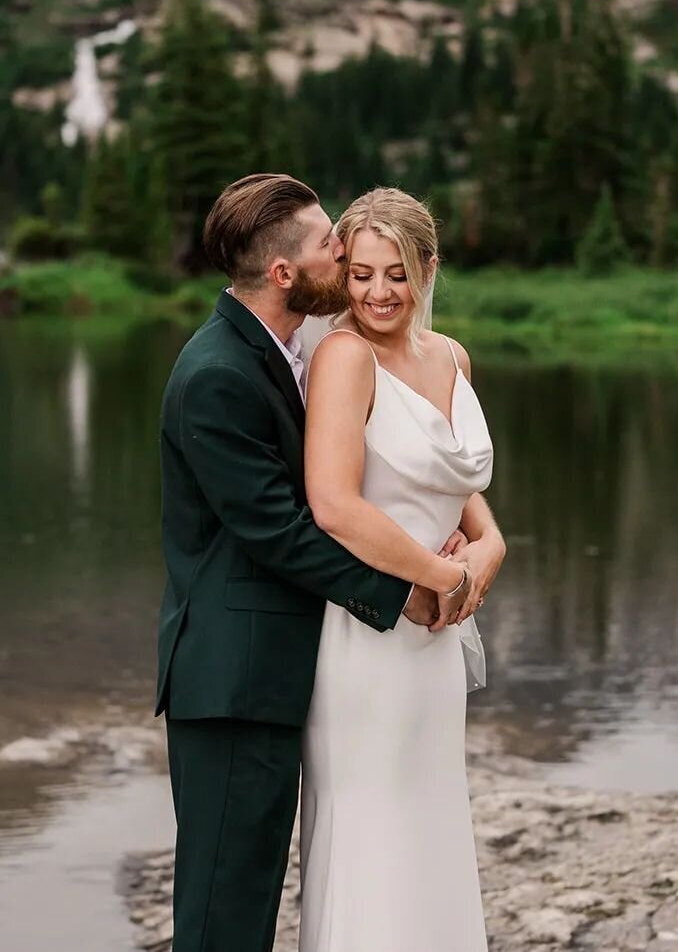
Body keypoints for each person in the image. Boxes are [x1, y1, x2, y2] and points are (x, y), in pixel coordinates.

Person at [155, 174, 468, 952]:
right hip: (233, 683)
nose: (345, 250)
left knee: (253, 897)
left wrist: (472, 545)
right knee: (224, 916)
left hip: (284, 670)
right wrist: (407, 592)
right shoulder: (216, 376)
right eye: (332, 244)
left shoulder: (288, 352)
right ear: (285, 273)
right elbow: (282, 530)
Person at [299, 186, 505, 952]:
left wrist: (489, 550)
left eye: (396, 274)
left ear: (428, 268)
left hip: (435, 646)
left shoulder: (451, 355)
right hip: (370, 634)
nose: (377, 293)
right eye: (359, 274)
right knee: (371, 832)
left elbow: (463, 497)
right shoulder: (342, 357)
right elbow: (334, 505)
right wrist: (440, 577)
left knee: (429, 820)